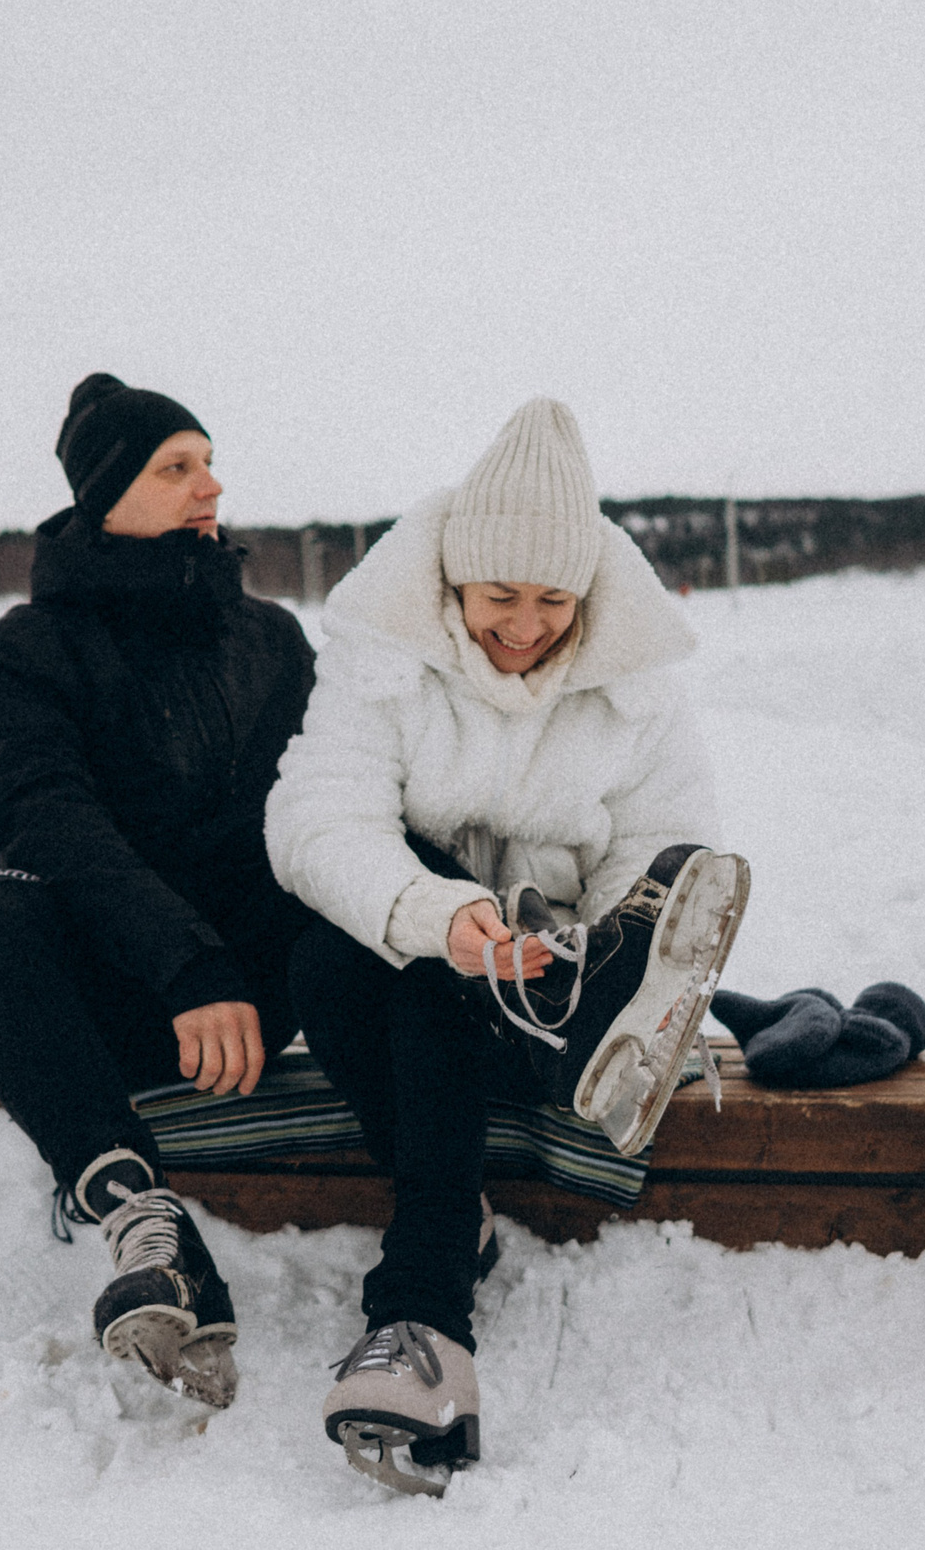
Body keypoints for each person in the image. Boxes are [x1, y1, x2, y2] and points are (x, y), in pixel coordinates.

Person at [265, 396, 749, 1493]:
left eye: (552, 599)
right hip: (424, 984)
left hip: (560, 972)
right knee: (341, 954)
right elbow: (314, 820)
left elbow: (665, 838)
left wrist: (576, 943)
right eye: (499, 597)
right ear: (449, 582)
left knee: (665, 882)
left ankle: (621, 1013)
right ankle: (426, 1321)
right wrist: (439, 917)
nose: (525, 624)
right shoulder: (380, 657)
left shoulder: (636, 691)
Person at [0, 372, 315, 1408]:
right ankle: (143, 1220)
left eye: (207, 460)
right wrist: (182, 961)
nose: (210, 484)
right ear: (107, 492)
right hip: (126, 994)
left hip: (262, 981)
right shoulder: (16, 656)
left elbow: (327, 806)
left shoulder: (270, 640)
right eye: (176, 466)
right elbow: (41, 822)